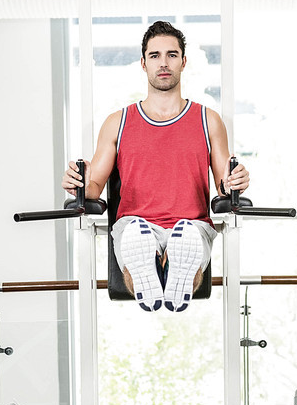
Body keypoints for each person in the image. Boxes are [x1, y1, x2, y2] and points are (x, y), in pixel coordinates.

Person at [62, 21, 249, 313]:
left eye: (172, 55)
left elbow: (224, 180)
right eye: (155, 55)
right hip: (135, 224)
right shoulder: (118, 122)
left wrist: (236, 179)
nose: (163, 63)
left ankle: (178, 278)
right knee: (136, 238)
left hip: (191, 224)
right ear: (143, 62)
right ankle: (152, 271)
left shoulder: (208, 119)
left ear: (184, 62)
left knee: (189, 239)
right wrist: (78, 181)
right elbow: (94, 185)